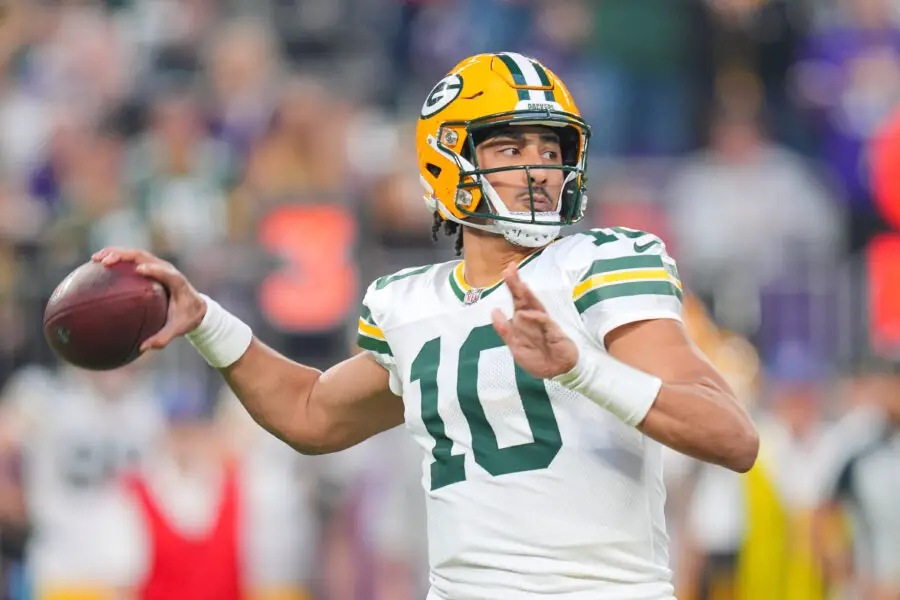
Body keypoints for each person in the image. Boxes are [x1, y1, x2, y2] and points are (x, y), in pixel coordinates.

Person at [92, 52, 759, 600]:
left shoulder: (601, 265)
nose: (538, 169)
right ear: (449, 161)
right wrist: (205, 319)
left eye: (549, 149)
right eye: (508, 147)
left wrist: (582, 368)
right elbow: (310, 414)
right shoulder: (409, 304)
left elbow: (732, 438)